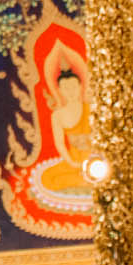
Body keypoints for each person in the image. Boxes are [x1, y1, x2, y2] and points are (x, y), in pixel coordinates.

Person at [41, 62, 91, 193]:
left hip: (94, 158)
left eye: (73, 87)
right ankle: (83, 180)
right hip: (74, 160)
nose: (71, 92)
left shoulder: (90, 108)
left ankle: (87, 178)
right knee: (47, 179)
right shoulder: (57, 115)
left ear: (80, 86)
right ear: (60, 90)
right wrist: (72, 162)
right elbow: (60, 144)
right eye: (66, 88)